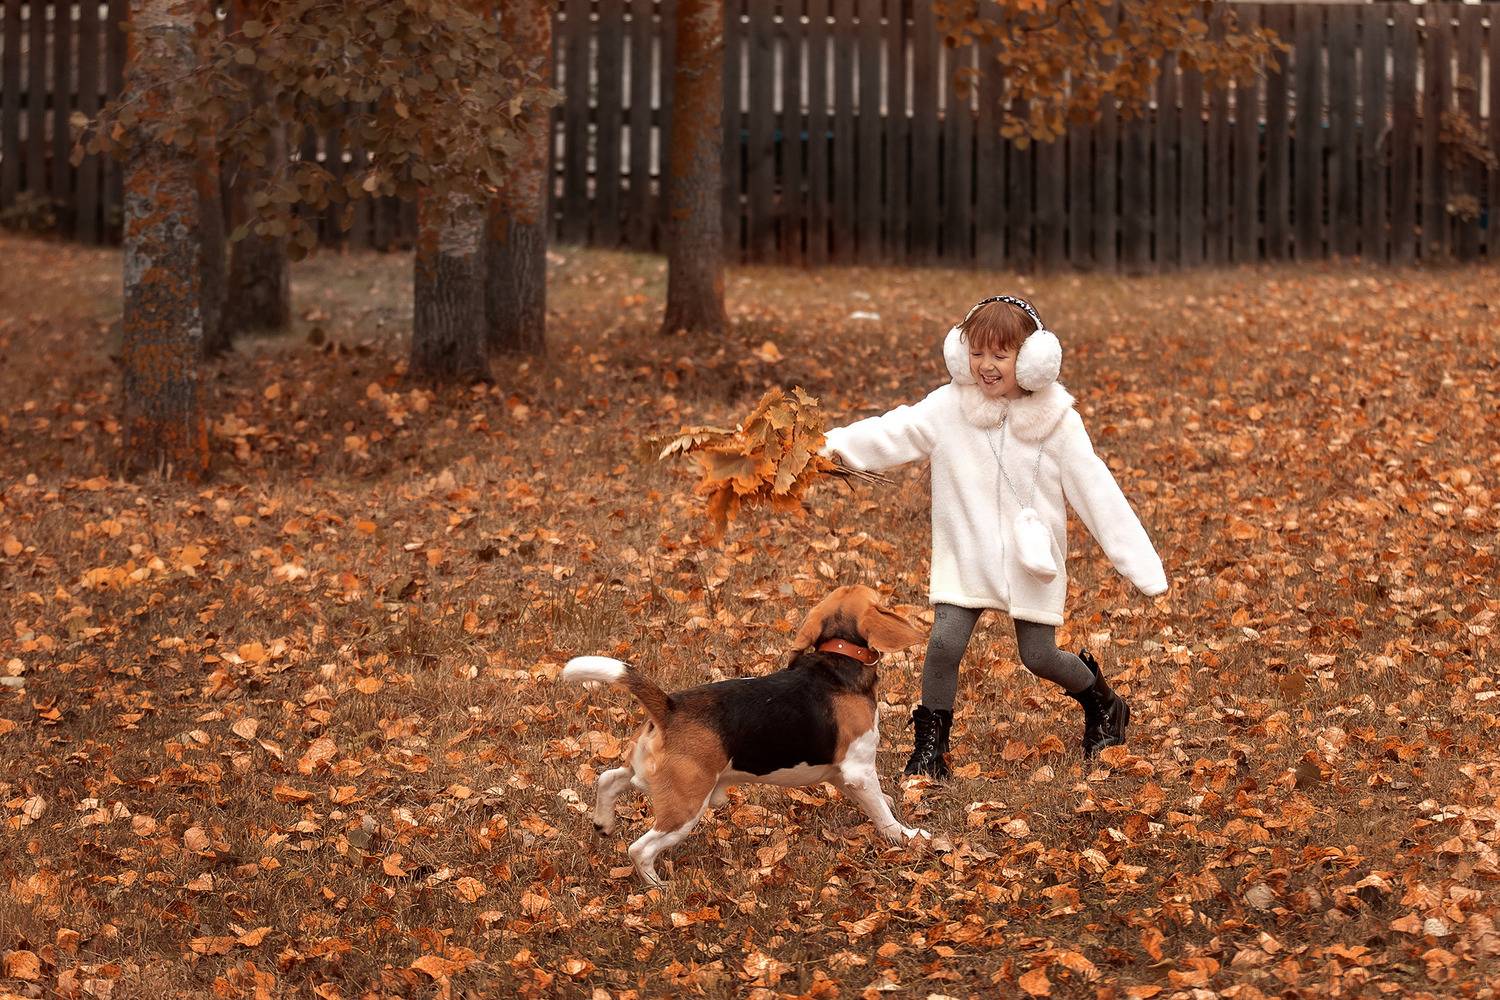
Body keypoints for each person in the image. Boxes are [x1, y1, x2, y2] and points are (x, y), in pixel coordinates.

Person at [822, 296, 1167, 778]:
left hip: (1031, 560)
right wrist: (831, 447)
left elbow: (1097, 491)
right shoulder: (949, 407)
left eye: (1001, 355)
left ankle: (1103, 702)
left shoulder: (1058, 422)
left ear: (1032, 360)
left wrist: (1140, 564)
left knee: (1038, 656)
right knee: (944, 644)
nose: (986, 365)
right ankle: (930, 750)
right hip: (967, 551)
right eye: (977, 352)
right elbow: (893, 430)